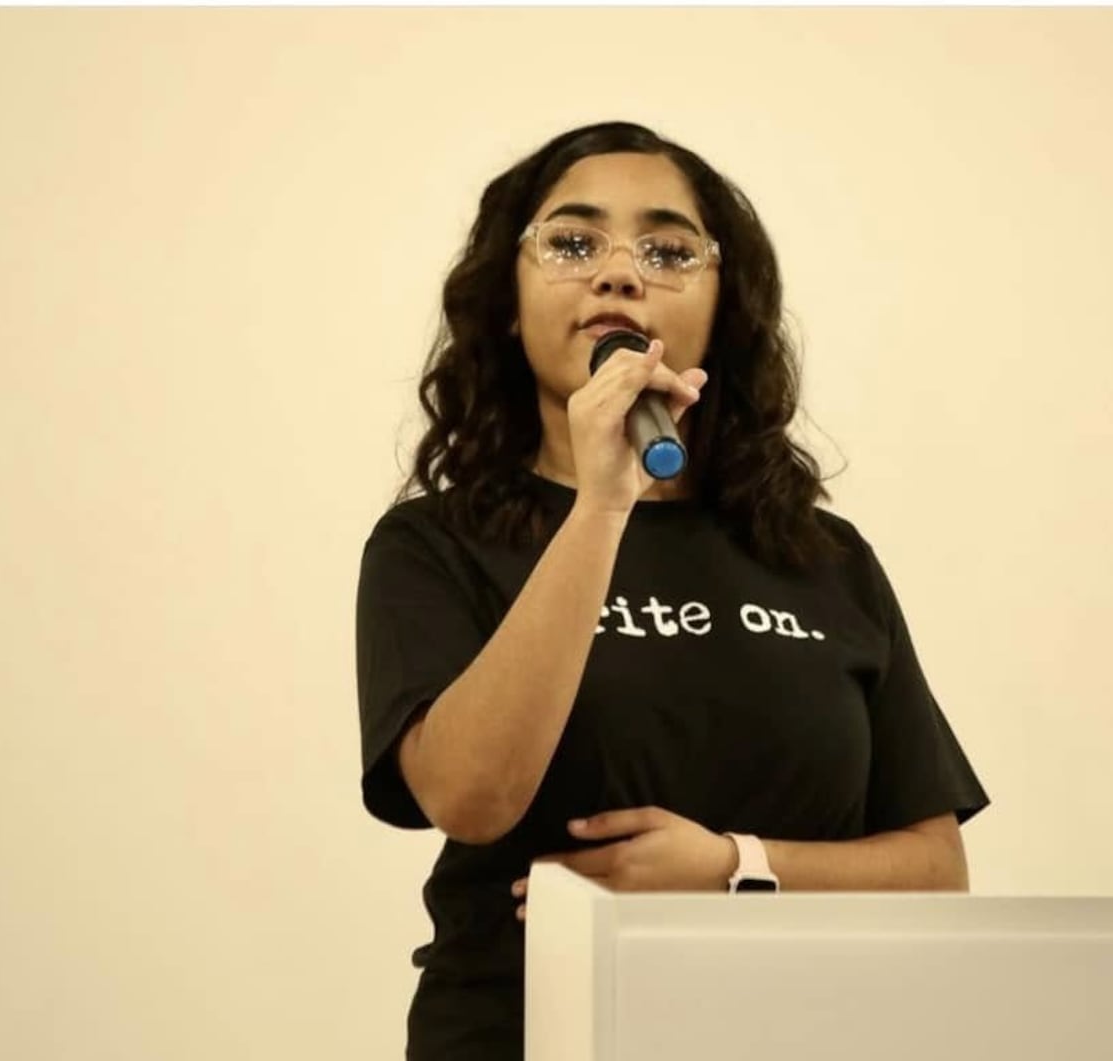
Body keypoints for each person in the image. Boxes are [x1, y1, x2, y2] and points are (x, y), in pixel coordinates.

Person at [355, 120, 989, 1060]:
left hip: (808, 1036)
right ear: (506, 302)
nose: (620, 272)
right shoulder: (435, 545)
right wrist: (604, 504)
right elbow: (470, 797)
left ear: (722, 309)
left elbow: (935, 872)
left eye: (668, 249)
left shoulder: (821, 555)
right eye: (573, 242)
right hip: (535, 1032)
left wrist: (736, 868)